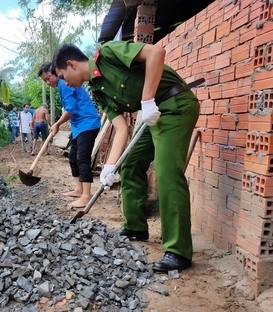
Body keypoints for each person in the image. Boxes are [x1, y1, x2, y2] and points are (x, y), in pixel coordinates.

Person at [52, 41, 200, 273]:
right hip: (154, 118)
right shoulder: (98, 92)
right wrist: (109, 168)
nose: (64, 82)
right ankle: (136, 226)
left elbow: (156, 53)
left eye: (62, 75)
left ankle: (178, 251)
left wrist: (148, 100)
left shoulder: (109, 53)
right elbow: (121, 128)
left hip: (175, 106)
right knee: (130, 163)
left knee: (167, 170)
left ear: (71, 64)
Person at [38, 62, 101, 208]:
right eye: (45, 81)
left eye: (48, 78)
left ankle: (86, 196)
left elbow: (70, 111)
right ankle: (79, 190)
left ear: (56, 73)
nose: (48, 82)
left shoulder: (64, 85)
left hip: (88, 123)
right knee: (73, 157)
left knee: (82, 158)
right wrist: (58, 123)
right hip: (78, 126)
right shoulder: (61, 86)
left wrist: (57, 124)